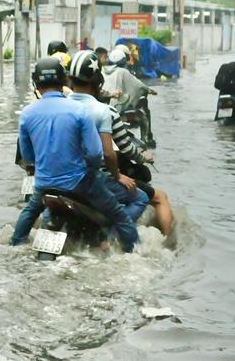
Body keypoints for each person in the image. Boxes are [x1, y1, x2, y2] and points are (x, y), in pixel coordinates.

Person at [10, 57, 141, 253]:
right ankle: (135, 254)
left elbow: (28, 157)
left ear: (36, 84)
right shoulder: (80, 111)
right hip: (80, 183)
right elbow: (96, 154)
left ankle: (14, 246)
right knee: (119, 215)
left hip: (45, 183)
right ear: (64, 81)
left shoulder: (27, 114)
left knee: (29, 212)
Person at [68, 50, 149, 223]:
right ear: (97, 82)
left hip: (60, 178)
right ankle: (114, 234)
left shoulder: (58, 108)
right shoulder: (105, 112)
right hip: (94, 179)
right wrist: (142, 159)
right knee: (142, 198)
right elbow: (115, 151)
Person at [108, 104, 174, 236]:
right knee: (159, 197)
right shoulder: (105, 113)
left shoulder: (72, 111)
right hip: (102, 178)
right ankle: (167, 242)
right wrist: (143, 158)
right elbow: (124, 149)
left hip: (67, 180)